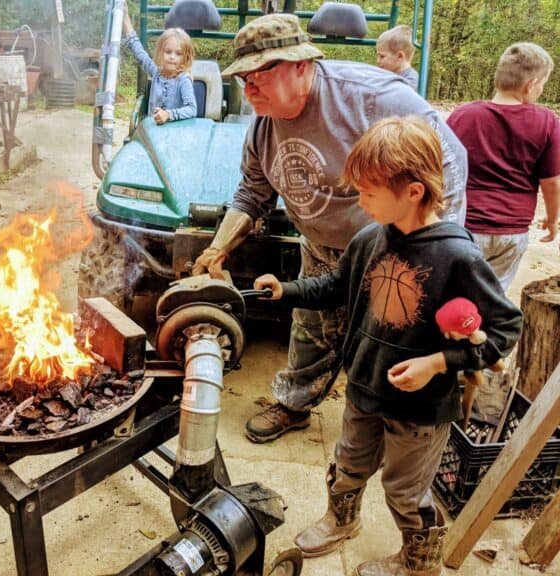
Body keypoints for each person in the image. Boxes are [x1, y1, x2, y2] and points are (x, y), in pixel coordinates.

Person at [254, 116, 522, 575]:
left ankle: (418, 562)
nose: (360, 202)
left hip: (420, 411)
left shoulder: (459, 257)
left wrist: (438, 362)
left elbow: (504, 330)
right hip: (364, 385)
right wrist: (286, 289)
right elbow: (336, 286)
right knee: (347, 465)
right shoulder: (368, 239)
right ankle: (342, 520)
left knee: (405, 490)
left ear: (414, 191)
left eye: (369, 193)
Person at [191, 13, 468, 444]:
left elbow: (449, 162)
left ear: (301, 65)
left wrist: (435, 246)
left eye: (260, 75)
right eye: (243, 78)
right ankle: (295, 403)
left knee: (393, 337)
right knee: (312, 327)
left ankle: (397, 428)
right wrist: (217, 249)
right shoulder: (263, 124)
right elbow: (251, 194)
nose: (248, 89)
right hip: (320, 244)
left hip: (389, 247)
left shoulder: (371, 98)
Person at [447, 42, 560, 292]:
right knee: (490, 301)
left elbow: (442, 166)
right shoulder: (547, 122)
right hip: (511, 230)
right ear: (530, 85)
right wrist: (552, 219)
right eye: (542, 84)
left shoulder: (464, 115)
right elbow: (551, 182)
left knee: (454, 296)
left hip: (464, 225)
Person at [122, 5, 197, 124]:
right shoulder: (157, 73)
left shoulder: (183, 80)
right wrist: (125, 18)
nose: (172, 57)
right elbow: (140, 54)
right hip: (152, 129)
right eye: (168, 52)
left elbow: (192, 109)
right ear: (161, 53)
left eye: (178, 54)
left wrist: (168, 114)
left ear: (185, 58)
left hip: (174, 130)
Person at [376, 25, 419, 91]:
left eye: (382, 56)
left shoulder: (411, 80)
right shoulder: (387, 74)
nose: (377, 61)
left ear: (399, 56)